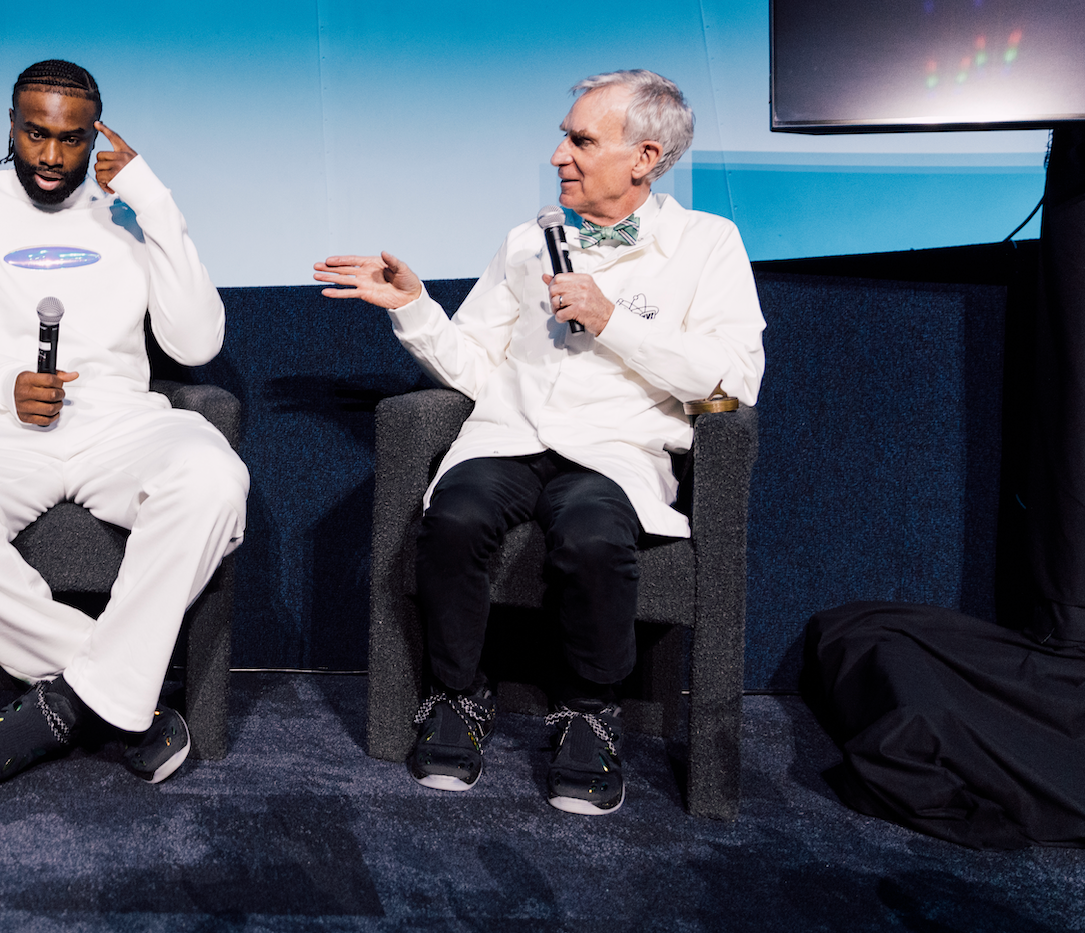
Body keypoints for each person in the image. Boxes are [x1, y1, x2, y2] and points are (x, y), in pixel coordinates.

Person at [315, 70, 764, 815]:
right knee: (452, 516)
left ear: (645, 156)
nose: (559, 154)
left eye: (581, 139)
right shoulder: (529, 242)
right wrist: (415, 307)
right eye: (564, 135)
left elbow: (733, 378)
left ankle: (589, 711)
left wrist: (615, 319)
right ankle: (457, 697)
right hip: (510, 433)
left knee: (592, 535)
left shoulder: (706, 244)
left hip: (616, 448)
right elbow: (472, 363)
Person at [0, 59, 248, 791]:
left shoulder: (129, 211)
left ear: (97, 136)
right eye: (35, 133)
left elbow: (197, 344)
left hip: (119, 420)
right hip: (3, 422)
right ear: (11, 127)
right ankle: (121, 699)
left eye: (72, 139)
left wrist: (153, 199)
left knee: (215, 477)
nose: (51, 157)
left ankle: (66, 705)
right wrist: (2, 384)